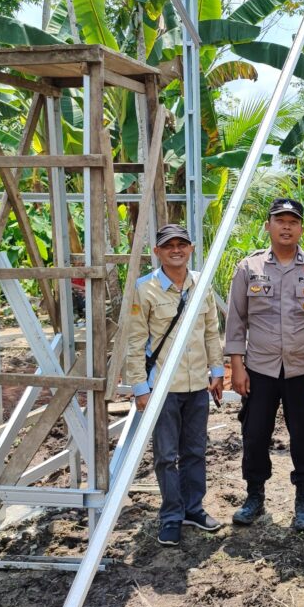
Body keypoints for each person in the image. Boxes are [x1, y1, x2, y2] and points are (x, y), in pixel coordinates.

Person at [224, 198, 304, 532]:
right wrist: (237, 365)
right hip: (259, 369)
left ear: (301, 228)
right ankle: (254, 497)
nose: (286, 227)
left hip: (303, 370)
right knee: (254, 434)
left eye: (293, 221)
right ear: (268, 226)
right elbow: (236, 319)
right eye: (280, 220)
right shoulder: (249, 268)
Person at [126, 224, 225, 547]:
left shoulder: (201, 284)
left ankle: (193, 509)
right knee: (166, 456)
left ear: (191, 248)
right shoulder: (146, 289)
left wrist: (217, 371)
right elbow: (135, 342)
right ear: (157, 252)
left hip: (197, 386)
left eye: (182, 244)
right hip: (163, 389)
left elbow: (211, 330)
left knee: (195, 451)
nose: (176, 250)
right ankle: (171, 516)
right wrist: (140, 388)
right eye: (169, 246)